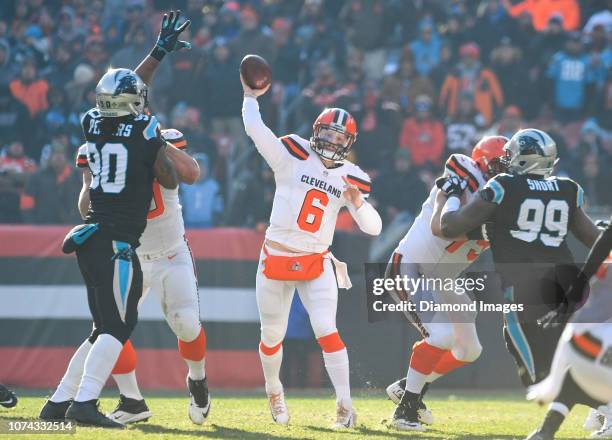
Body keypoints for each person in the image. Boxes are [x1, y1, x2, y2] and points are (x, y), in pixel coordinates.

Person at [39, 10, 187, 428]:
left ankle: (57, 404)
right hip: (119, 244)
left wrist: (157, 53)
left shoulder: (91, 123)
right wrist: (160, 145)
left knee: (102, 327)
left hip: (92, 237)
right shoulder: (144, 130)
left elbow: (126, 92)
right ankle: (84, 405)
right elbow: (170, 178)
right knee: (119, 327)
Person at [437, 128, 600, 439]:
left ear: (525, 158)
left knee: (537, 375)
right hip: (567, 287)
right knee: (564, 359)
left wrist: (451, 193)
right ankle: (590, 412)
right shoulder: (567, 188)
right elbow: (595, 239)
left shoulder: (504, 185)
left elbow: (449, 226)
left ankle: (599, 409)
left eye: (511, 154)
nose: (506, 160)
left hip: (527, 287)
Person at [241, 74, 382, 428]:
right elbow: (257, 131)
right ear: (316, 131)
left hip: (317, 259)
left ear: (349, 142)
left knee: (325, 328)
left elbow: (373, 228)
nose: (333, 141)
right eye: (329, 134)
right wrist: (250, 97)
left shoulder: (350, 175)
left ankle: (345, 406)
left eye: (340, 137)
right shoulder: (292, 155)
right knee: (272, 334)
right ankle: (274, 389)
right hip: (276, 253)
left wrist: (356, 201)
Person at [384, 136, 507, 431]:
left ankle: (407, 387)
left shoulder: (503, 201)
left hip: (442, 279)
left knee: (469, 349)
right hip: (410, 268)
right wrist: (452, 195)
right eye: (502, 165)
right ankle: (406, 411)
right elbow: (456, 170)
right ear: (485, 163)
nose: (508, 173)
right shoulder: (467, 175)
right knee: (442, 336)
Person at [105, 129, 209, 425]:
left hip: (170, 252)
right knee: (110, 326)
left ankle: (198, 379)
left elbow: (191, 172)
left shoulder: (158, 144)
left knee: (186, 323)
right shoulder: (117, 154)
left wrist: (153, 141)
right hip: (130, 254)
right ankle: (131, 400)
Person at [527, 217, 612, 439]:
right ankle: (605, 412)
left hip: (587, 347)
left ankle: (547, 431)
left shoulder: (600, 272)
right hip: (598, 348)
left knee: (574, 375)